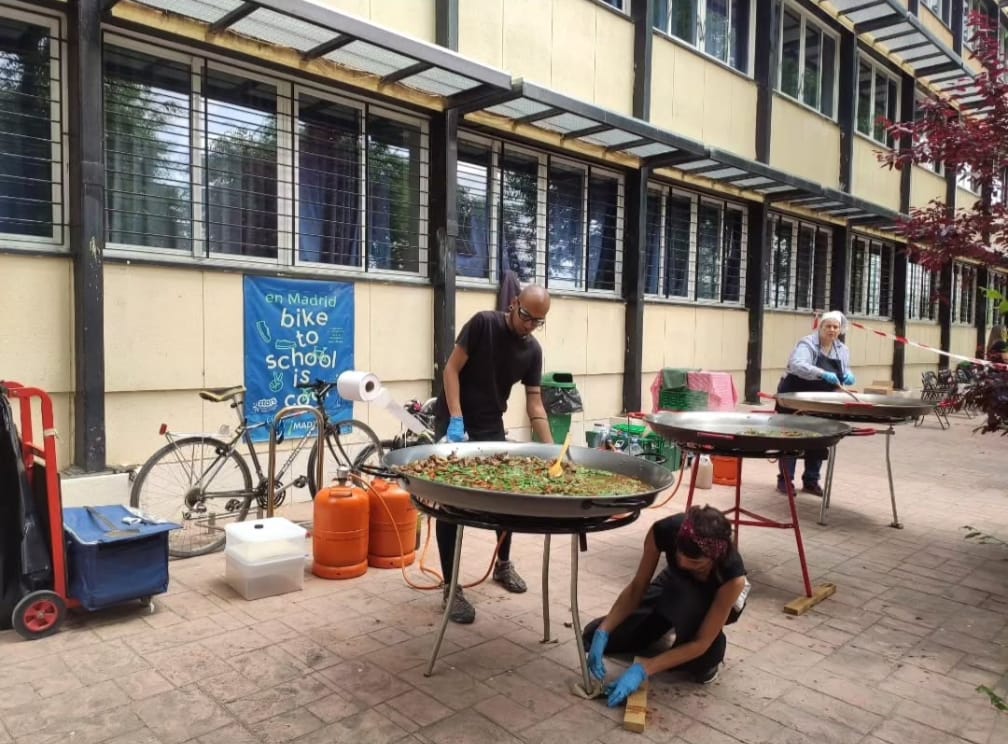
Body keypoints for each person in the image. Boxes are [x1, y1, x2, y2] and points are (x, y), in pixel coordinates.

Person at [432, 284, 554, 624]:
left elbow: (534, 403)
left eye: (538, 321)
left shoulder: (532, 352)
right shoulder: (483, 324)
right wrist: (456, 419)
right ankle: (450, 586)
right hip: (455, 419)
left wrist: (553, 451)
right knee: (451, 502)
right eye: (526, 316)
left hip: (490, 424)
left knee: (504, 497)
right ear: (514, 304)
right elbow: (451, 370)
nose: (529, 325)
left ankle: (503, 565)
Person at [582, 505, 747, 707]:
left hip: (712, 599)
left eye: (696, 564)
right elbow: (637, 588)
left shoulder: (732, 576)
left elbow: (700, 643)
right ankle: (664, 618)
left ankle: (709, 656)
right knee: (595, 635)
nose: (685, 564)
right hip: (673, 582)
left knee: (698, 661)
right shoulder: (664, 531)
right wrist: (603, 631)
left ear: (713, 559)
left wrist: (644, 669)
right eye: (680, 557)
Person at [775, 310, 854, 496]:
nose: (832, 330)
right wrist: (822, 373)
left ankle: (811, 480)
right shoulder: (807, 343)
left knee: (818, 438)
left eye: (836, 327)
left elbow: (843, 370)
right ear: (821, 327)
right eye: (828, 326)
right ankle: (785, 480)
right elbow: (797, 364)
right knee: (791, 437)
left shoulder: (842, 349)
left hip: (821, 400)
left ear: (840, 329)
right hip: (795, 396)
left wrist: (847, 375)